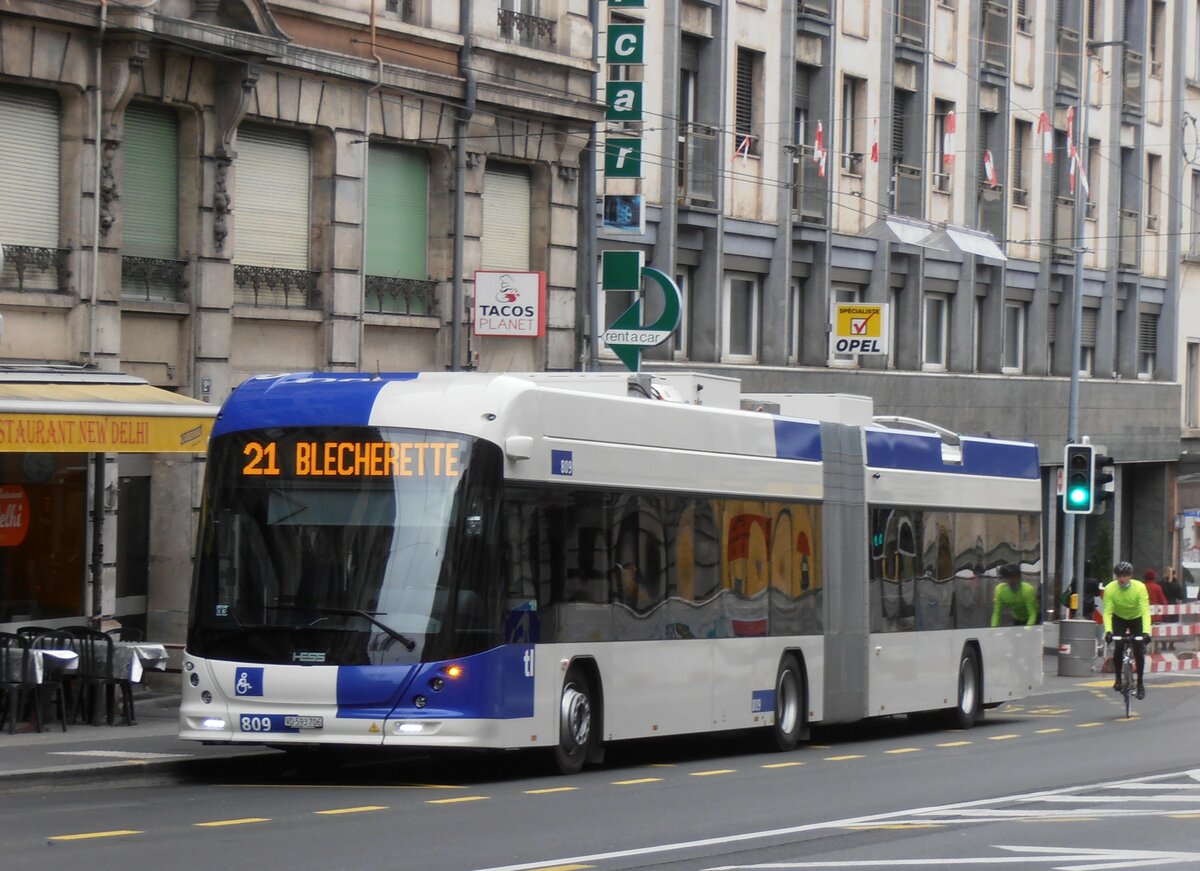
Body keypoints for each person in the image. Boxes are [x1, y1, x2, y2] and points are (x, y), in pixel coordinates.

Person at [1103, 561, 1152, 699]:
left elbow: (1145, 610)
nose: (1121, 579)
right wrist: (1108, 631)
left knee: (1138, 648)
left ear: (1130, 576)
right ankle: (1118, 678)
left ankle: (1140, 684)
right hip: (1119, 618)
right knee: (1118, 645)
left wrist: (1146, 632)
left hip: (1137, 617)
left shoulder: (1139, 587)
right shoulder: (1110, 588)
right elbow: (1107, 611)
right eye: (1119, 576)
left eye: (1124, 576)